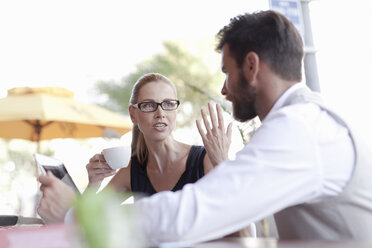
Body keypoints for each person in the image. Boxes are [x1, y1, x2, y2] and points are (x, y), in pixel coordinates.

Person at [129, 10, 372, 245]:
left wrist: (104, 220)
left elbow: (200, 210)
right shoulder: (308, 118)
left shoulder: (299, 127)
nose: (224, 90)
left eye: (227, 72)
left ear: (251, 66)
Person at [37, 72, 233, 224]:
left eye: (168, 104)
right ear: (133, 114)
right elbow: (87, 221)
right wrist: (94, 182)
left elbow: (235, 212)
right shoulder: (132, 170)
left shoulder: (205, 159)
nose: (160, 113)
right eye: (149, 105)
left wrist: (222, 161)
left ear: (175, 110)